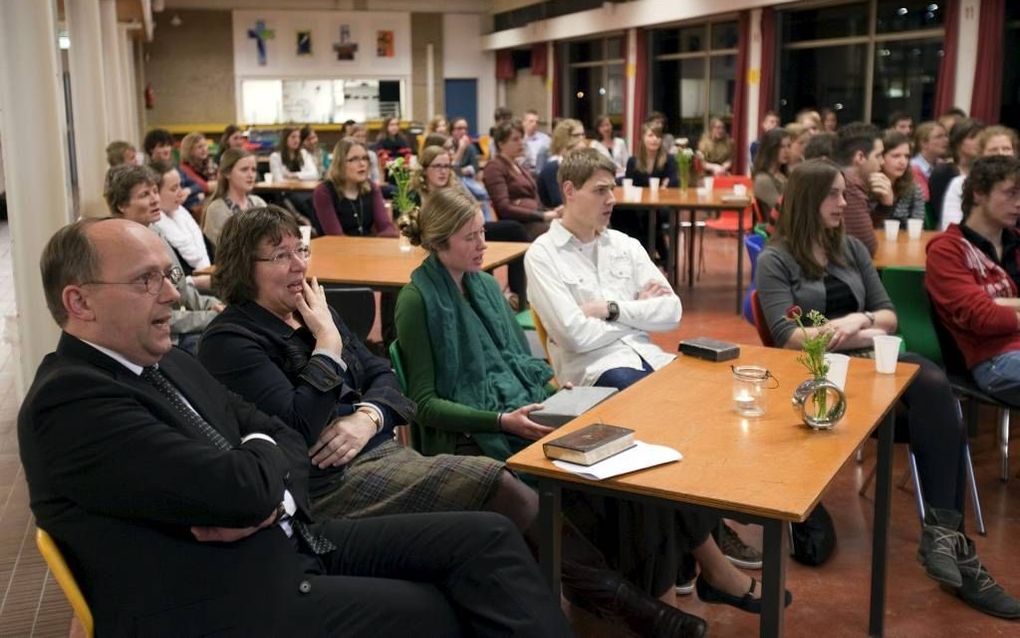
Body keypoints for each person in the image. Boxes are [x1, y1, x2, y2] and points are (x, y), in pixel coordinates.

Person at [20, 216, 571, 637]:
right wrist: (262, 481)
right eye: (147, 280)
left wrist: (267, 483)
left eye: (168, 274)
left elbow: (274, 437)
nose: (171, 294)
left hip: (287, 540)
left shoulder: (169, 363)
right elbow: (257, 474)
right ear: (79, 302)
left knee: (488, 538)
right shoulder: (72, 400)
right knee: (437, 606)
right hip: (223, 594)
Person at [197, 205, 702, 637]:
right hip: (330, 485)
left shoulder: (310, 309)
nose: (297, 265)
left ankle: (612, 602)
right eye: (280, 255)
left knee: (589, 471)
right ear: (245, 266)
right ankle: (620, 602)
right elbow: (297, 426)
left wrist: (370, 415)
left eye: (301, 251)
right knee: (494, 482)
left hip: (381, 453)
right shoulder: (233, 339)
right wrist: (328, 348)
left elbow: (385, 379)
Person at [396, 175, 778, 629]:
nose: (483, 243)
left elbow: (520, 364)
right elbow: (424, 405)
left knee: (632, 452)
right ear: (439, 241)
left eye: (483, 231)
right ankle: (644, 604)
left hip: (525, 412)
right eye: (471, 236)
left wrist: (556, 394)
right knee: (603, 465)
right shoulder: (417, 300)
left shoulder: (480, 285)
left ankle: (668, 579)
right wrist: (501, 420)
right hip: (472, 436)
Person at [757, 158, 1019, 620]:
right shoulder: (776, 259)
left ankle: (944, 538)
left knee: (934, 387)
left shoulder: (853, 249)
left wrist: (854, 324)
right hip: (820, 376)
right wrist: (858, 326)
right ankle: (953, 548)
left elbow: (888, 315)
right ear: (807, 200)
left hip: (871, 362)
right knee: (935, 398)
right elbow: (788, 336)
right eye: (835, 195)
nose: (845, 204)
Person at [927, 155, 1020, 407]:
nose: (1019, 203)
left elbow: (990, 309)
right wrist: (996, 308)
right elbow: (982, 317)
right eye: (1011, 193)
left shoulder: (1015, 241)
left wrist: (999, 304)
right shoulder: (947, 250)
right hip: (993, 358)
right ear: (978, 193)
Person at [105, 164, 221, 354]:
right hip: (161, 343)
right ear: (121, 205)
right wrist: (208, 318)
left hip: (181, 330)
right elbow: (153, 318)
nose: (154, 200)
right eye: (144, 195)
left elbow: (180, 285)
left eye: (155, 191)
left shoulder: (155, 232)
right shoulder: (122, 253)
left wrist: (213, 305)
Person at [413, 145, 525, 301]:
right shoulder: (415, 194)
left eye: (447, 166)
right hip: (439, 237)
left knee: (514, 229)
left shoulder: (455, 186)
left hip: (467, 230)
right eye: (437, 166)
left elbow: (474, 208)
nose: (443, 171)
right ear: (425, 169)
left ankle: (517, 295)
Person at [483, 120, 559, 240]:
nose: (521, 143)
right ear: (501, 144)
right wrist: (542, 216)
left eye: (521, 138)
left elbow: (534, 199)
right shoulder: (494, 167)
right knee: (559, 233)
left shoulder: (518, 165)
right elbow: (504, 207)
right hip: (519, 225)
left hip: (535, 219)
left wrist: (553, 211)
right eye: (515, 139)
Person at [312, 137, 396, 237]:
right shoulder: (323, 192)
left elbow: (386, 227)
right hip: (336, 250)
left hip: (368, 248)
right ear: (340, 163)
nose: (362, 164)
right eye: (354, 159)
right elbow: (336, 238)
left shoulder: (371, 187)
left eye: (365, 158)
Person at [941, 125, 1017, 229]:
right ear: (981, 154)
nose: (1001, 154)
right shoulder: (960, 183)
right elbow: (950, 225)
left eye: (1006, 149)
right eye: (993, 150)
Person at [151, 160, 212, 274]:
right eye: (174, 189)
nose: (181, 193)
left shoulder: (182, 213)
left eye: (181, 186)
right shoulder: (156, 233)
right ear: (155, 194)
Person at [833, 122, 885, 256]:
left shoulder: (838, 176)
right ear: (860, 157)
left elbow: (861, 230)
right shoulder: (848, 186)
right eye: (878, 156)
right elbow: (866, 248)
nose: (882, 162)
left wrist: (885, 205)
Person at [203, 148, 266, 247]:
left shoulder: (259, 203)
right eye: (244, 169)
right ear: (228, 173)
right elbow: (229, 251)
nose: (251, 175)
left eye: (253, 170)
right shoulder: (216, 209)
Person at [931, 118, 985, 229]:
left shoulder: (984, 172)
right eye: (972, 137)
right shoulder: (944, 172)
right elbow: (940, 211)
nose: (979, 142)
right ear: (958, 142)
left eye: (982, 138)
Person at [144, 128, 201, 212]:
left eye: (168, 145)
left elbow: (197, 185)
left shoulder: (175, 167)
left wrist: (187, 191)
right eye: (161, 146)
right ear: (151, 149)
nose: (167, 149)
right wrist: (196, 195)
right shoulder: (147, 173)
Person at [538, 119, 587, 209]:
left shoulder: (582, 166)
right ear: (563, 139)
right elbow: (559, 201)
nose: (581, 139)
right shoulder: (552, 168)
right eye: (576, 135)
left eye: (583, 134)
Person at [877, 131, 925, 223]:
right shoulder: (868, 188)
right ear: (881, 157)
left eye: (907, 156)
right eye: (896, 156)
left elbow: (917, 226)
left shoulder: (913, 188)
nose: (903, 162)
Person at [751, 128, 792, 217]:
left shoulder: (784, 174)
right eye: (782, 147)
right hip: (778, 226)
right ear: (770, 148)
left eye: (789, 146)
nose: (787, 151)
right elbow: (782, 209)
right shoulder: (763, 179)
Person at [911, 121, 950, 200]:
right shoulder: (913, 167)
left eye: (946, 136)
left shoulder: (942, 165)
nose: (946, 140)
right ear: (924, 143)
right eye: (939, 137)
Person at [178, 132, 217, 198]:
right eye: (199, 147)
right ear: (189, 150)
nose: (204, 149)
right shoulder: (184, 168)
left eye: (205, 145)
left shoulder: (210, 164)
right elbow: (204, 186)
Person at [591, 114, 629, 179]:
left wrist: (623, 170)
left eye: (608, 125)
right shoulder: (595, 145)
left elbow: (627, 163)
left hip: (621, 177)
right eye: (602, 126)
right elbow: (593, 166)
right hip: (603, 178)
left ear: (612, 126)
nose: (606, 128)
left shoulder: (620, 142)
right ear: (598, 129)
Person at [522, 109, 551, 174]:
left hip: (541, 171)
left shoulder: (545, 139)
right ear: (523, 122)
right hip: (524, 171)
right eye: (531, 121)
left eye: (536, 122)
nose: (534, 124)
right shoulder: (520, 139)